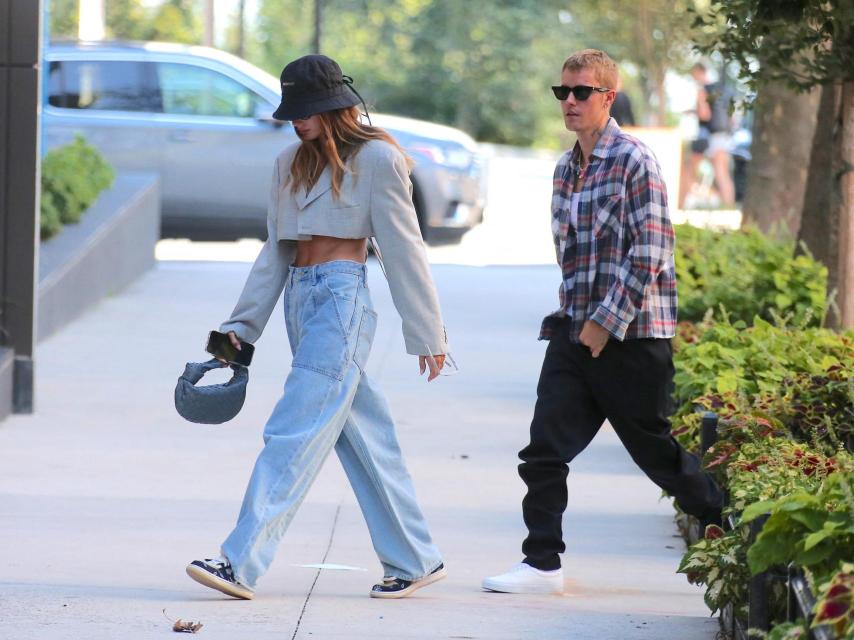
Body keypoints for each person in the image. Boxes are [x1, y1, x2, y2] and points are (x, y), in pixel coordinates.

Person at [185, 54, 450, 601]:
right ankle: (415, 557)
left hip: (341, 297)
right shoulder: (288, 162)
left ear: (336, 107)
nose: (298, 122)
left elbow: (404, 248)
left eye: (306, 111)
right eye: (292, 113)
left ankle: (240, 560)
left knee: (294, 429)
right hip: (300, 303)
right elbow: (275, 252)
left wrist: (427, 334)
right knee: (367, 439)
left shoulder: (378, 158)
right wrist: (239, 329)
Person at [481, 49, 723, 595]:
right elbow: (572, 255)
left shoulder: (635, 160)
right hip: (574, 333)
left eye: (581, 92)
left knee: (657, 455)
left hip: (633, 339)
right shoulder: (566, 168)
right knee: (543, 450)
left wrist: (604, 323)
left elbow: (654, 249)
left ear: (607, 97)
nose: (569, 101)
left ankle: (731, 521)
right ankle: (541, 563)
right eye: (562, 92)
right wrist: (575, 321)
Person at [680, 62, 735, 208]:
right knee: (722, 173)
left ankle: (680, 204)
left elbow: (705, 115)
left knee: (689, 169)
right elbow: (732, 118)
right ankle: (729, 207)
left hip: (707, 135)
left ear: (698, 72)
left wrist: (691, 112)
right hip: (724, 135)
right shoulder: (723, 89)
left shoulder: (703, 90)